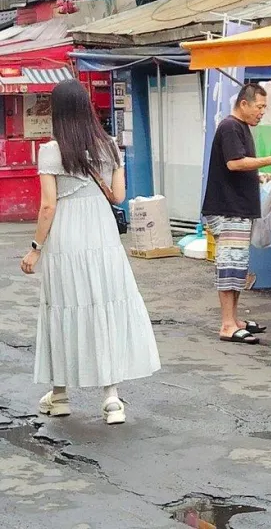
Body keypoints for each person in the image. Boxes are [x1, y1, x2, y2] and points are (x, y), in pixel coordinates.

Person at [21, 80, 160, 426]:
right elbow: (118, 197)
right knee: (103, 304)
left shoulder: (51, 151)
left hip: (66, 239)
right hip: (102, 236)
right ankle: (112, 398)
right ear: (87, 107)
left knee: (63, 308)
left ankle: (60, 395)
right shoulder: (109, 146)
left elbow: (48, 206)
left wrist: (36, 249)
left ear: (57, 111)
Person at [202, 83, 271, 345]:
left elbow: (238, 166)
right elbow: (234, 163)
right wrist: (270, 159)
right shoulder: (230, 126)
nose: (262, 112)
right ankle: (227, 324)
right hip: (228, 208)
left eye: (265, 107)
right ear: (244, 104)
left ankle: (234, 319)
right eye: (259, 107)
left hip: (238, 207)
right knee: (229, 264)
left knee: (238, 265)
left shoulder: (241, 127)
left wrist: (257, 175)